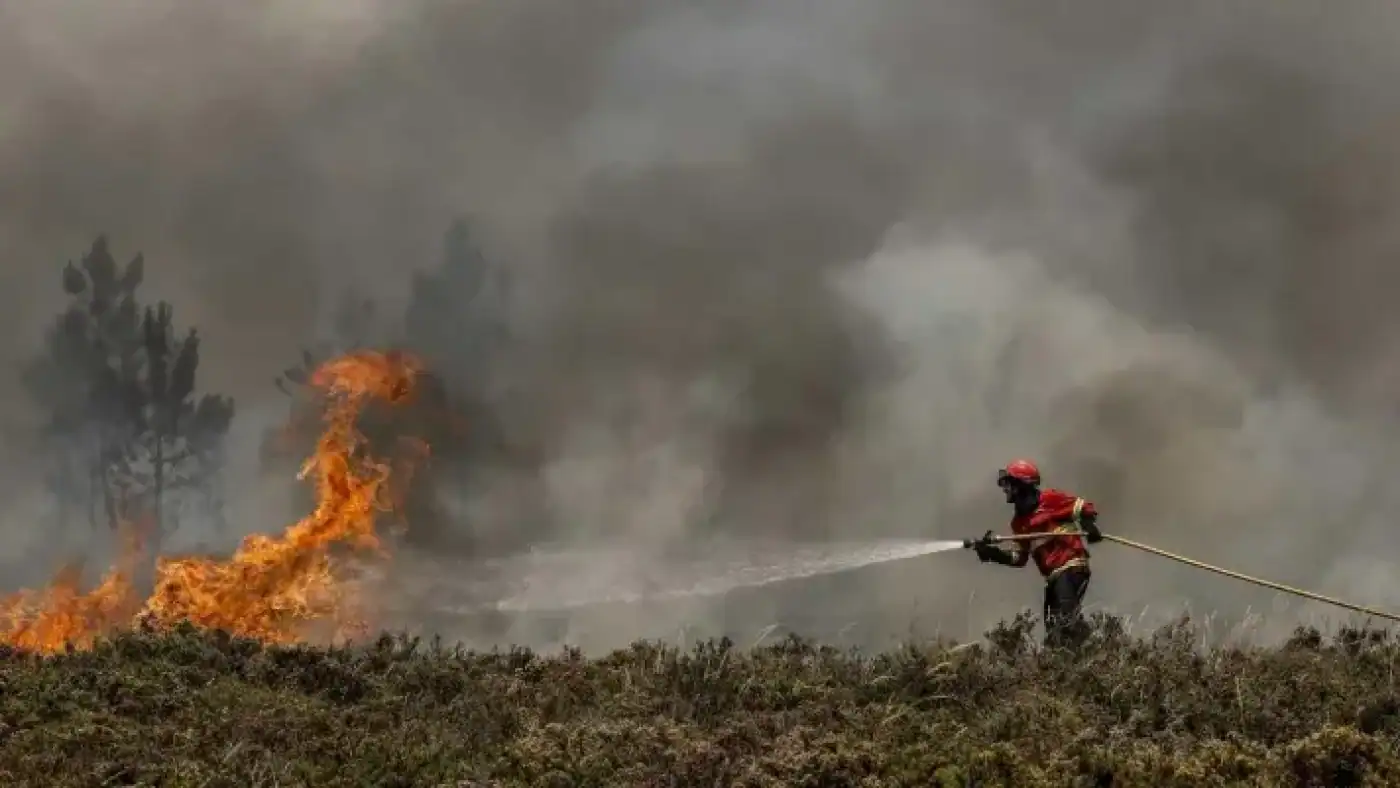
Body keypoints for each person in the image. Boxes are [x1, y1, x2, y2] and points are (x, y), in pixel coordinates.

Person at [972, 458, 1103, 648]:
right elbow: (1019, 558)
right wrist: (991, 554)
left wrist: (1089, 525)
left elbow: (1083, 507)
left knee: (1064, 620)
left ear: (1021, 485)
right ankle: (1085, 652)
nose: (1005, 489)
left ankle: (1095, 646)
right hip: (1053, 578)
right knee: (1053, 634)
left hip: (1072, 567)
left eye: (1008, 484)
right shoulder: (1019, 523)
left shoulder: (1050, 500)